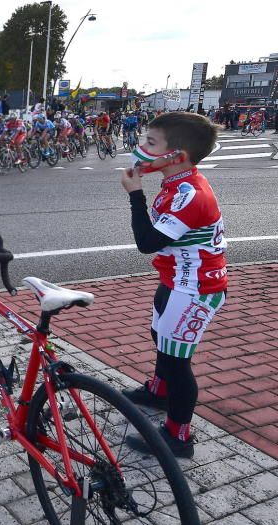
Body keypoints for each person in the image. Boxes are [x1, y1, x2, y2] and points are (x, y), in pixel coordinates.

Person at [120, 112, 227, 459]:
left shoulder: (190, 194)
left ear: (177, 156)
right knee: (160, 336)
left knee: (177, 361)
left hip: (196, 288)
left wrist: (135, 194)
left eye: (151, 143)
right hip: (175, 279)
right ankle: (159, 391)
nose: (140, 150)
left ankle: (179, 436)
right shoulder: (176, 183)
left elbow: (147, 242)